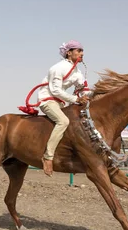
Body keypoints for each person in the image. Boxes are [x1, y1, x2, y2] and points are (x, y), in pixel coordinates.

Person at [37, 40, 91, 176]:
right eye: (78, 50)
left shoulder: (77, 72)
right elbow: (55, 91)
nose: (82, 53)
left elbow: (82, 89)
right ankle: (48, 157)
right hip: (47, 100)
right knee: (63, 121)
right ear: (69, 53)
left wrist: (90, 96)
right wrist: (76, 99)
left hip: (61, 103)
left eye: (82, 51)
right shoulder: (58, 68)